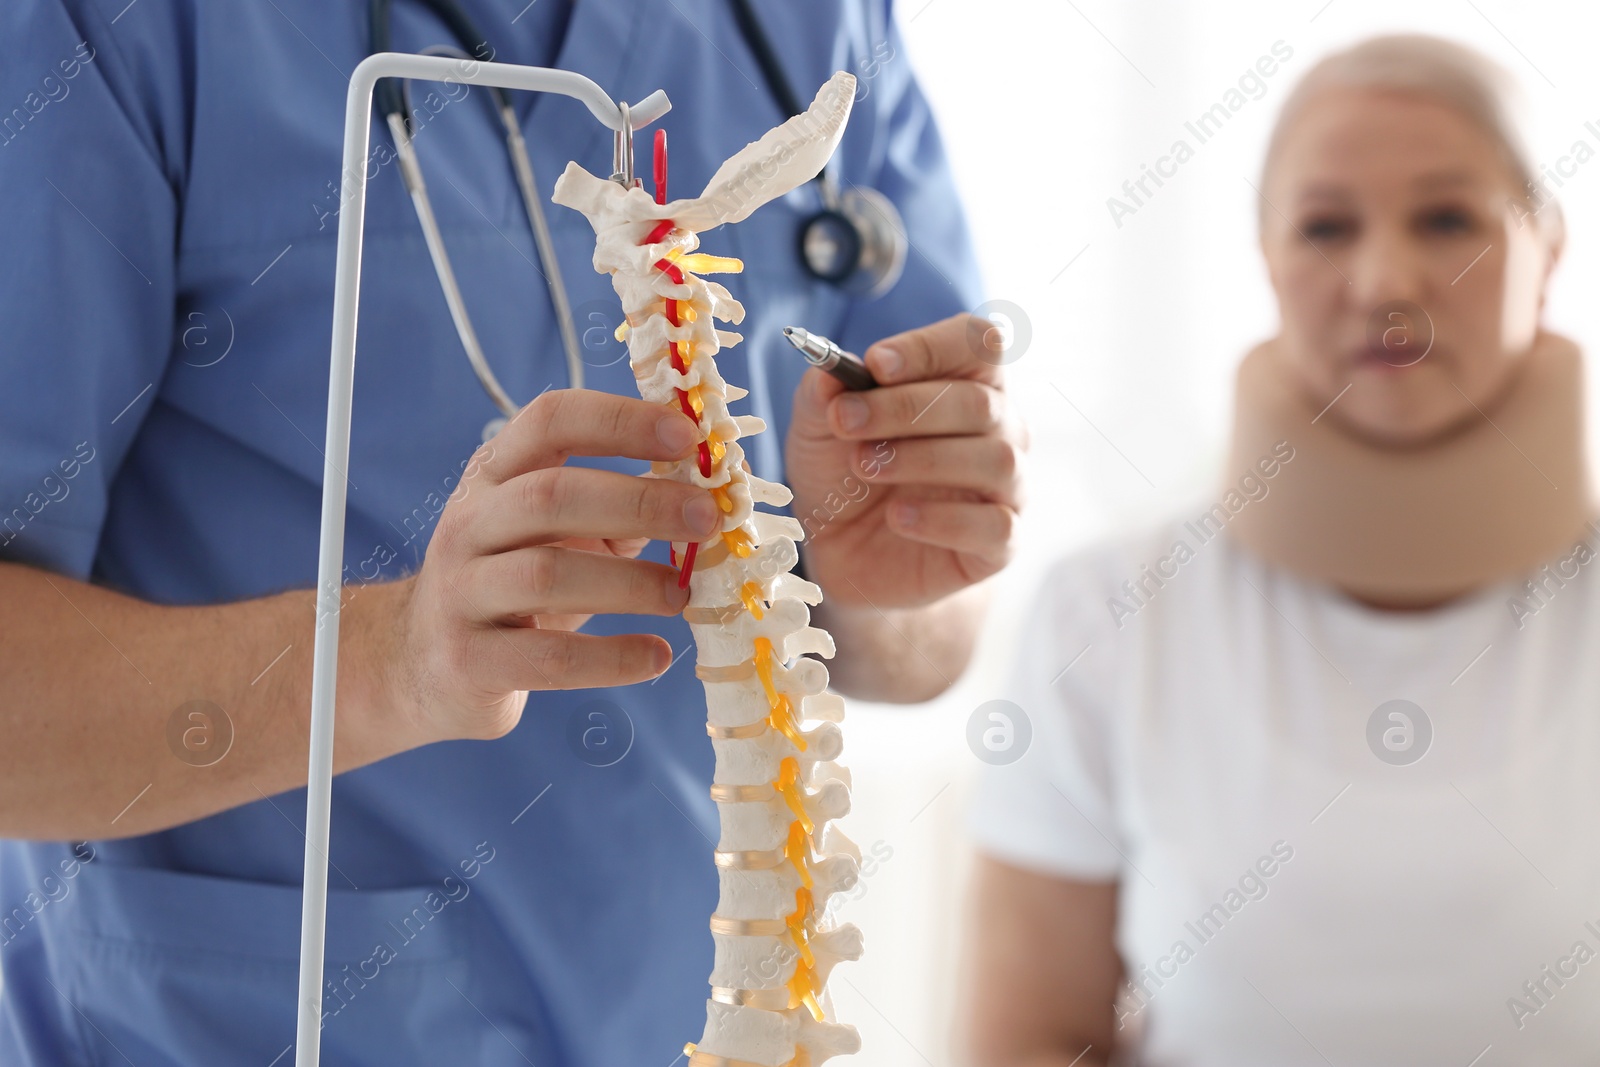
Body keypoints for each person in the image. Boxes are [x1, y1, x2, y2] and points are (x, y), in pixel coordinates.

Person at [0, 2, 1023, 1064]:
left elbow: (929, 636)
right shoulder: (118, 30)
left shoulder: (814, 22)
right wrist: (390, 660)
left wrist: (876, 537)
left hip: (705, 1012)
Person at [963, 33, 1600, 1067]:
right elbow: (1026, 1040)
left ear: (1548, 249)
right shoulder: (1103, 617)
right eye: (1324, 226)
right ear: (1265, 259)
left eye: (1447, 219)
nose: (1385, 278)